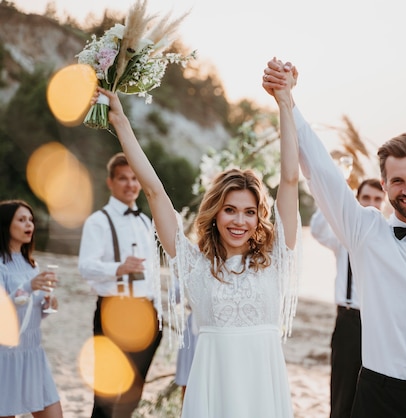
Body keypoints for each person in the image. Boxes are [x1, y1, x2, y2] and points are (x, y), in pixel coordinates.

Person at [263, 58, 406, 418]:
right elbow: (321, 173)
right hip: (379, 395)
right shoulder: (364, 232)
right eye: (398, 181)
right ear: (384, 184)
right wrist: (288, 102)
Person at [89, 58, 301, 417]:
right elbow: (155, 193)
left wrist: (285, 103)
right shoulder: (195, 265)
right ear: (215, 213)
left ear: (259, 217)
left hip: (262, 388)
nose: (240, 221)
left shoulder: (276, 259)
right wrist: (121, 123)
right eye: (230, 210)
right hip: (213, 385)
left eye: (250, 212)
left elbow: (291, 180)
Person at [78, 153, 162, 418]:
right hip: (113, 312)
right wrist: (118, 268)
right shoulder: (98, 221)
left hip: (146, 313)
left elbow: (152, 274)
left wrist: (158, 310)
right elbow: (85, 267)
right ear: (110, 182)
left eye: (135, 178)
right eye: (123, 178)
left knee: (132, 394)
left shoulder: (145, 221)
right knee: (105, 393)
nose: (131, 184)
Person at [310, 178, 385, 418]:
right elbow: (317, 230)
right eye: (366, 198)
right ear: (357, 200)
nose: (372, 204)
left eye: (377, 199)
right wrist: (338, 195)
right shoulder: (343, 237)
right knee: (342, 392)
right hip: (349, 322)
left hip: (379, 324)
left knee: (375, 394)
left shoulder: (389, 238)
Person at [0, 199, 63, 418]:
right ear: (6, 224)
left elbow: (27, 313)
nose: (29, 225)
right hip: (5, 356)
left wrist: (46, 305)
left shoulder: (31, 264)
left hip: (33, 352)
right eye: (21, 220)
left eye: (31, 220)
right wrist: (28, 287)